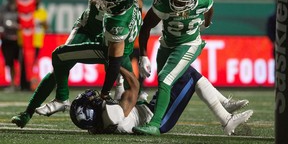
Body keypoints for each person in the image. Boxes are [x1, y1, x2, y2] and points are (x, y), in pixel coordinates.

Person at [11, 0, 141, 128]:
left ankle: (135, 113)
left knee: (127, 80)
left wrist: (142, 53)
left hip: (114, 36)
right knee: (60, 67)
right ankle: (29, 111)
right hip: (89, 29)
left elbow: (132, 10)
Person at [132, 0, 253, 135]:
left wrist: (207, 22)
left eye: (180, 1)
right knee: (189, 76)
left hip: (189, 44)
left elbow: (209, 9)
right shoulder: (163, 0)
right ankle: (225, 112)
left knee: (165, 78)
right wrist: (143, 55)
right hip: (167, 44)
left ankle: (154, 124)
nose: (175, 2)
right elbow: (146, 27)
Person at [70, 65, 251, 135]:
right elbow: (134, 87)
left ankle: (224, 106)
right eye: (90, 102)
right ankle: (226, 119)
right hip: (158, 118)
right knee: (188, 73)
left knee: (185, 71)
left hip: (149, 109)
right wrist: (117, 65)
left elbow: (121, 99)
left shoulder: (97, 125)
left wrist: (118, 81)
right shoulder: (111, 115)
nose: (93, 99)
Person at [0, 0, 20, 92]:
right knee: (10, 63)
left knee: (22, 62)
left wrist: (16, 25)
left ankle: (23, 83)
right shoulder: (4, 10)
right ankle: (13, 84)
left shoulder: (21, 10)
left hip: (19, 40)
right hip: (7, 39)